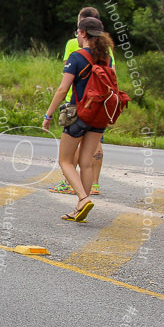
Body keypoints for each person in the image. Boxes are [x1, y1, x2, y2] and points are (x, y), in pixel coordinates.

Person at [42, 17, 111, 222]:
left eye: (78, 33)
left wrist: (49, 114)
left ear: (82, 33)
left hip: (79, 114)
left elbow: (63, 89)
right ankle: (80, 207)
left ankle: (82, 198)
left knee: (65, 161)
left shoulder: (77, 56)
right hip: (99, 116)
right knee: (86, 162)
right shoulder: (105, 58)